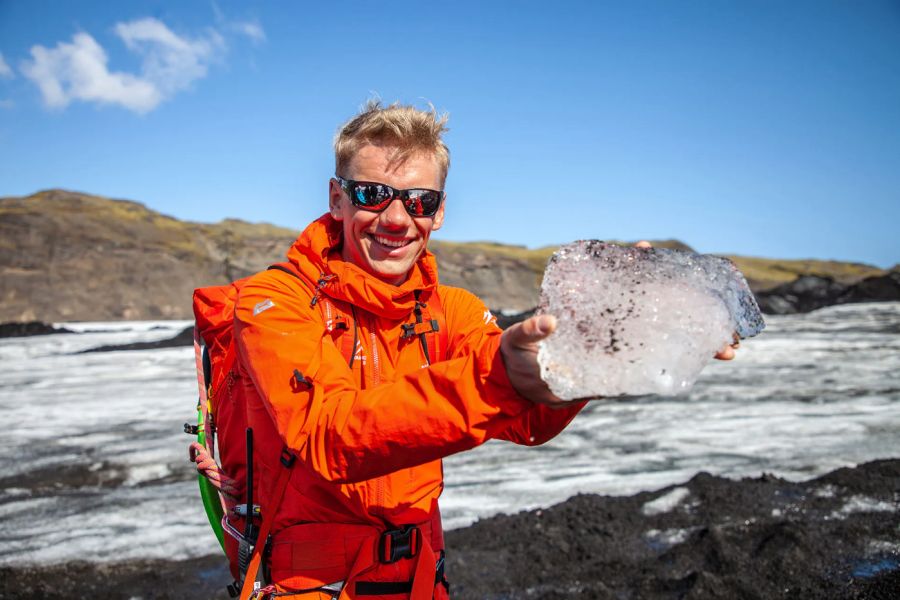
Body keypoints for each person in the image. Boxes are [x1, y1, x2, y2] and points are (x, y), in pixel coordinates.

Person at [233, 101, 736, 599]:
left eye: (420, 201)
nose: (395, 219)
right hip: (308, 587)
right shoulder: (274, 301)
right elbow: (328, 434)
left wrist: (589, 350)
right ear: (337, 200)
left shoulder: (453, 310)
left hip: (420, 581)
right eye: (371, 194)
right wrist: (497, 376)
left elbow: (529, 420)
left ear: (441, 210)